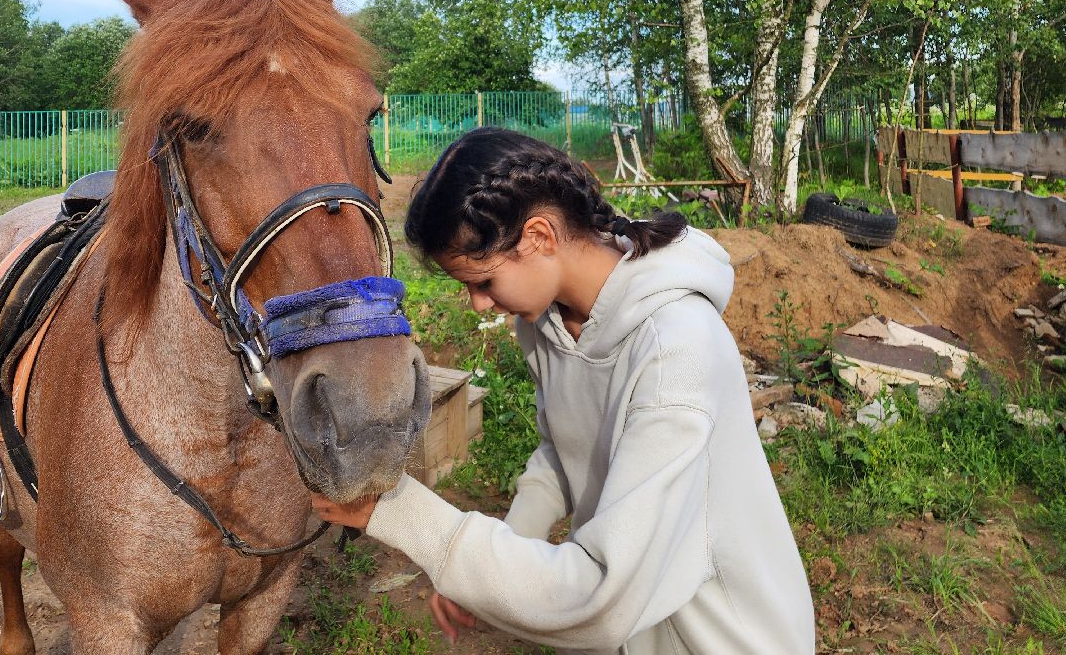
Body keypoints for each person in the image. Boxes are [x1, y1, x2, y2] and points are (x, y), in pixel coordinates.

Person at [311, 128, 815, 654]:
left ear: (539, 237)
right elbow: (566, 448)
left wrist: (409, 518)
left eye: (483, 282)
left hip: (723, 637)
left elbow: (603, 598)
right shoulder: (549, 323)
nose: (478, 304)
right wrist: (501, 558)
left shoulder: (675, 351)